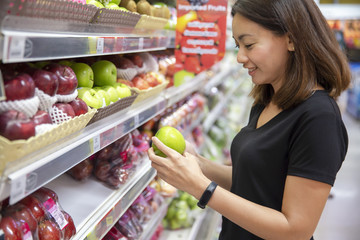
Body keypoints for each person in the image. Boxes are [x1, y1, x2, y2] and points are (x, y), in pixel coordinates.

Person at [148, 0, 351, 239]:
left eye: (249, 44)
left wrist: (201, 188)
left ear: (291, 39)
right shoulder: (268, 99)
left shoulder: (319, 117)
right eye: (237, 45)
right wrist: (198, 164)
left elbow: (295, 230)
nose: (240, 57)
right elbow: (256, 181)